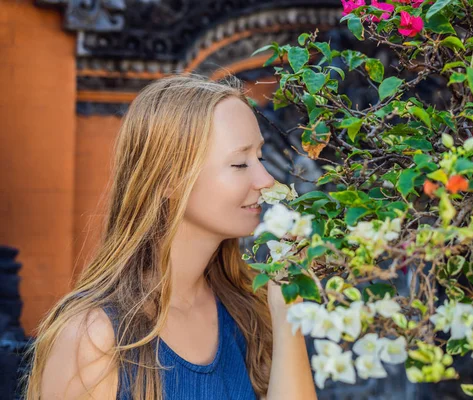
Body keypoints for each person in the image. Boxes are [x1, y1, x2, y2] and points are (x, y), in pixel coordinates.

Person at [24, 74, 318, 400]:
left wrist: (288, 307)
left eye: (259, 158)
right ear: (169, 179)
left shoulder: (247, 312)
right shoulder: (94, 335)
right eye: (239, 163)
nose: (265, 179)